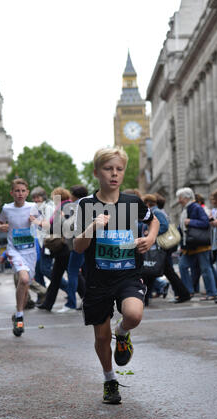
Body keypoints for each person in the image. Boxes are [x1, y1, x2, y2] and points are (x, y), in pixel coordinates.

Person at [73, 147, 159, 405]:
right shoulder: (86, 205)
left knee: (133, 314)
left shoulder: (132, 203)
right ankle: (109, 380)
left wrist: (151, 237)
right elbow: (77, 246)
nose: (114, 174)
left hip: (128, 275)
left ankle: (121, 333)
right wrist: (91, 227)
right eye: (109, 169)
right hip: (98, 280)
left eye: (119, 169)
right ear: (97, 172)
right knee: (100, 337)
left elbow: (153, 221)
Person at [0, 178, 40, 337]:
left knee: (26, 283)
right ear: (12, 193)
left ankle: (18, 315)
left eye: (23, 191)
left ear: (27, 193)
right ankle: (20, 315)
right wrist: (1, 226)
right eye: (17, 191)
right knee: (23, 279)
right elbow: (0, 221)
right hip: (14, 250)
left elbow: (46, 224)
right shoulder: (7, 208)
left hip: (30, 251)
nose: (20, 194)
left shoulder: (33, 207)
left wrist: (36, 221)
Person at [142, 194, 190, 304]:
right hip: (160, 247)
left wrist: (150, 233)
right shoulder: (154, 212)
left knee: (154, 272)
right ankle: (183, 294)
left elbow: (164, 226)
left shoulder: (157, 212)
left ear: (148, 203)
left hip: (161, 248)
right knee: (154, 272)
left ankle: (183, 294)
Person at [35, 187, 77, 312]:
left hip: (66, 247)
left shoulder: (67, 207)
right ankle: (48, 304)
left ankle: (69, 302)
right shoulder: (63, 207)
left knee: (63, 276)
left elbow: (70, 225)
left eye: (54, 197)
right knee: (58, 276)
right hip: (63, 248)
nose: (53, 199)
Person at [177, 187, 217, 301]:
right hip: (191, 244)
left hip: (199, 244)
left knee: (205, 268)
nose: (178, 200)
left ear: (186, 198)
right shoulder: (187, 208)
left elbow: (205, 223)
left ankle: (212, 292)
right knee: (183, 266)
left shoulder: (195, 207)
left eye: (180, 198)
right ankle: (189, 291)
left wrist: (190, 222)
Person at [58, 185, 88, 313]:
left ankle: (71, 303)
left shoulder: (73, 207)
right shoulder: (91, 204)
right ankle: (89, 301)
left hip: (78, 244)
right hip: (91, 243)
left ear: (74, 195)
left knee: (72, 273)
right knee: (89, 274)